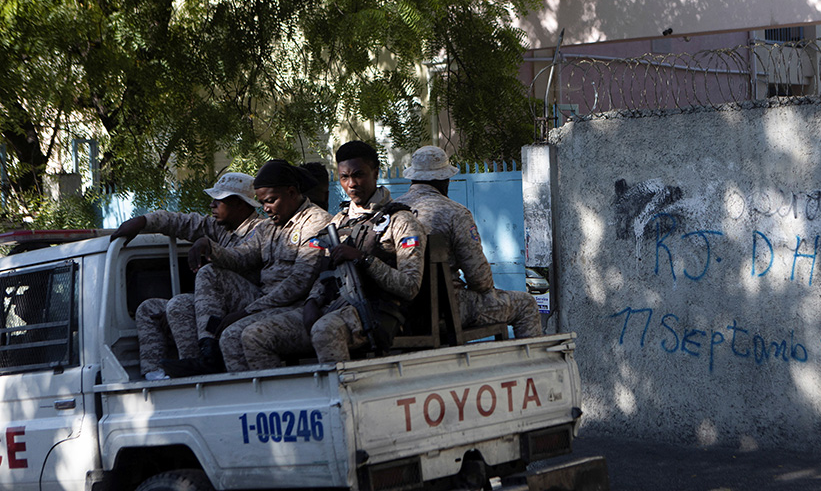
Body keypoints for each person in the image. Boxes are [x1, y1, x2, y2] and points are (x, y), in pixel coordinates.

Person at [237, 140, 426, 368]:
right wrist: (312, 301)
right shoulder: (338, 221)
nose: (352, 184)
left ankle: (339, 398)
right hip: (333, 307)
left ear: (375, 173)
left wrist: (363, 259)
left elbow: (410, 286)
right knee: (253, 335)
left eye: (359, 175)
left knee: (324, 330)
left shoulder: (401, 221)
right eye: (344, 177)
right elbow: (325, 271)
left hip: (377, 312)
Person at [163, 160, 331, 375]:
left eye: (270, 201)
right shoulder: (269, 226)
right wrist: (210, 247)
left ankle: (263, 396)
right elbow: (241, 257)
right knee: (208, 274)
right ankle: (207, 356)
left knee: (233, 335)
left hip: (298, 306)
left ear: (291, 192)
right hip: (266, 300)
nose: (265, 209)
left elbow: (300, 282)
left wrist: (247, 311)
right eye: (262, 203)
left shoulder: (315, 222)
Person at [110, 172, 267, 381]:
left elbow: (241, 258)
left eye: (218, 200)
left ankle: (208, 352)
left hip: (252, 303)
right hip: (221, 304)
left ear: (240, 204)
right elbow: (181, 222)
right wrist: (143, 221)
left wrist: (209, 247)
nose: (212, 205)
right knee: (161, 307)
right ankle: (160, 373)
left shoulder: (261, 229)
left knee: (209, 272)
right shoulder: (222, 229)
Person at [395, 145, 542, 338]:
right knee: (526, 304)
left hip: (401, 313)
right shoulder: (455, 213)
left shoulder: (392, 212)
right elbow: (480, 279)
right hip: (448, 309)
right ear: (444, 180)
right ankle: (530, 366)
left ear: (412, 177)